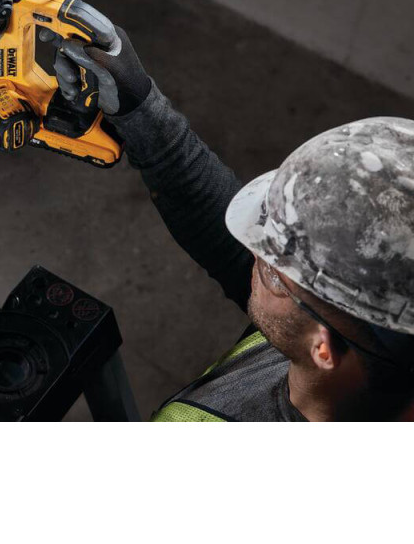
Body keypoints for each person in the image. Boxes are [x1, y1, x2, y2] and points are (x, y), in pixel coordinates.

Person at [51, 26, 414, 421]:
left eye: (274, 272)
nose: (254, 254)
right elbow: (237, 255)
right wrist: (139, 107)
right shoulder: (369, 343)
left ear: (323, 350)